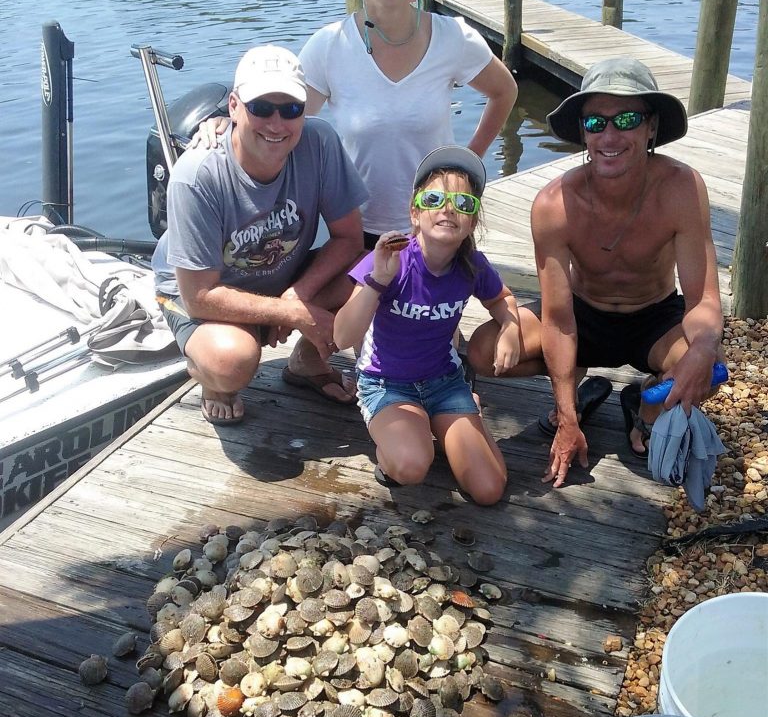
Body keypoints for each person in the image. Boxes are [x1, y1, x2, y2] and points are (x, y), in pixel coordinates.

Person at [466, 56, 724, 488]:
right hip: (584, 317)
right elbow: (559, 317)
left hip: (655, 317)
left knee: (707, 367)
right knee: (483, 350)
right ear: (582, 131)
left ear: (651, 126)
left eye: (626, 119)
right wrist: (566, 418)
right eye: (595, 122)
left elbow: (703, 301)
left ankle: (644, 406)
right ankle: (575, 396)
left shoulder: (682, 187)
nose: (609, 135)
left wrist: (704, 344)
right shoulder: (554, 205)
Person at [194, 0, 518, 249]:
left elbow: (504, 91)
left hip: (439, 223)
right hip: (359, 230)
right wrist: (228, 122)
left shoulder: (453, 37)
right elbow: (284, 119)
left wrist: (465, 165)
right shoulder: (328, 46)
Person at [152, 44, 367, 426]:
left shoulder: (321, 143)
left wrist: (294, 298)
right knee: (232, 361)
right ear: (233, 106)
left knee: (379, 282)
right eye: (261, 108)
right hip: (201, 290)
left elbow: (349, 239)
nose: (276, 123)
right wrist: (289, 311)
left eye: (291, 109)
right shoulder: (195, 177)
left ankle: (307, 363)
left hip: (282, 274)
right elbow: (199, 296)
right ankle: (207, 376)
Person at [333, 145, 521, 506]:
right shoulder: (389, 258)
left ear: (472, 222)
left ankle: (469, 412)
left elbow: (503, 299)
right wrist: (377, 280)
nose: (449, 208)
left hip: (444, 382)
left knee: (488, 490)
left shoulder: (473, 265)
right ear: (415, 213)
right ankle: (403, 442)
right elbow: (342, 336)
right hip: (386, 384)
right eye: (435, 198)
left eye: (464, 204)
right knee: (411, 466)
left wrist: (510, 328)